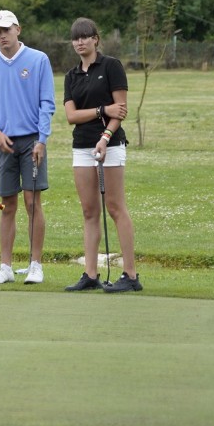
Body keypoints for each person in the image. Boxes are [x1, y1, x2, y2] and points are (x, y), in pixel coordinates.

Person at [0, 10, 55, 285]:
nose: (2, 36)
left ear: (18, 29)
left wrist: (42, 140)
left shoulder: (38, 59)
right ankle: (5, 267)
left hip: (33, 140)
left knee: (32, 202)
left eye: (6, 30)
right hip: (3, 142)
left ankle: (35, 265)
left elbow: (47, 103)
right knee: (8, 204)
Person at [62, 17, 141, 293]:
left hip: (110, 144)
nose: (80, 42)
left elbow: (120, 110)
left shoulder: (111, 66)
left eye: (85, 37)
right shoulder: (71, 76)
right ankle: (91, 274)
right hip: (82, 146)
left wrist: (106, 135)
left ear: (96, 39)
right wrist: (100, 110)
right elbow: (71, 116)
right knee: (88, 211)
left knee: (116, 208)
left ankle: (131, 275)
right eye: (75, 38)